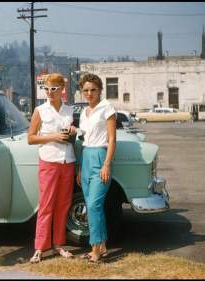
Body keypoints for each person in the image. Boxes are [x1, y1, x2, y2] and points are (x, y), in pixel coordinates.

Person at [27, 73, 77, 263]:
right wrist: (52, 137)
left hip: (68, 161)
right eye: (46, 88)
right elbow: (30, 138)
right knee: (46, 205)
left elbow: (73, 135)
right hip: (48, 161)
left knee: (63, 205)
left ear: (62, 89)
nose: (49, 92)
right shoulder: (40, 110)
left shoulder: (69, 110)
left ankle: (58, 245)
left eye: (53, 89)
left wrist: (73, 131)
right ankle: (39, 248)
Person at [76, 73, 116, 263]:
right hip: (85, 158)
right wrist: (79, 168)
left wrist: (107, 163)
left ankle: (95, 251)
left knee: (94, 205)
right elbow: (83, 138)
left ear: (100, 90)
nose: (89, 93)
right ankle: (103, 245)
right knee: (92, 205)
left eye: (93, 90)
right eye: (86, 90)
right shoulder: (84, 113)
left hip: (100, 156)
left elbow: (112, 139)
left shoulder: (106, 109)